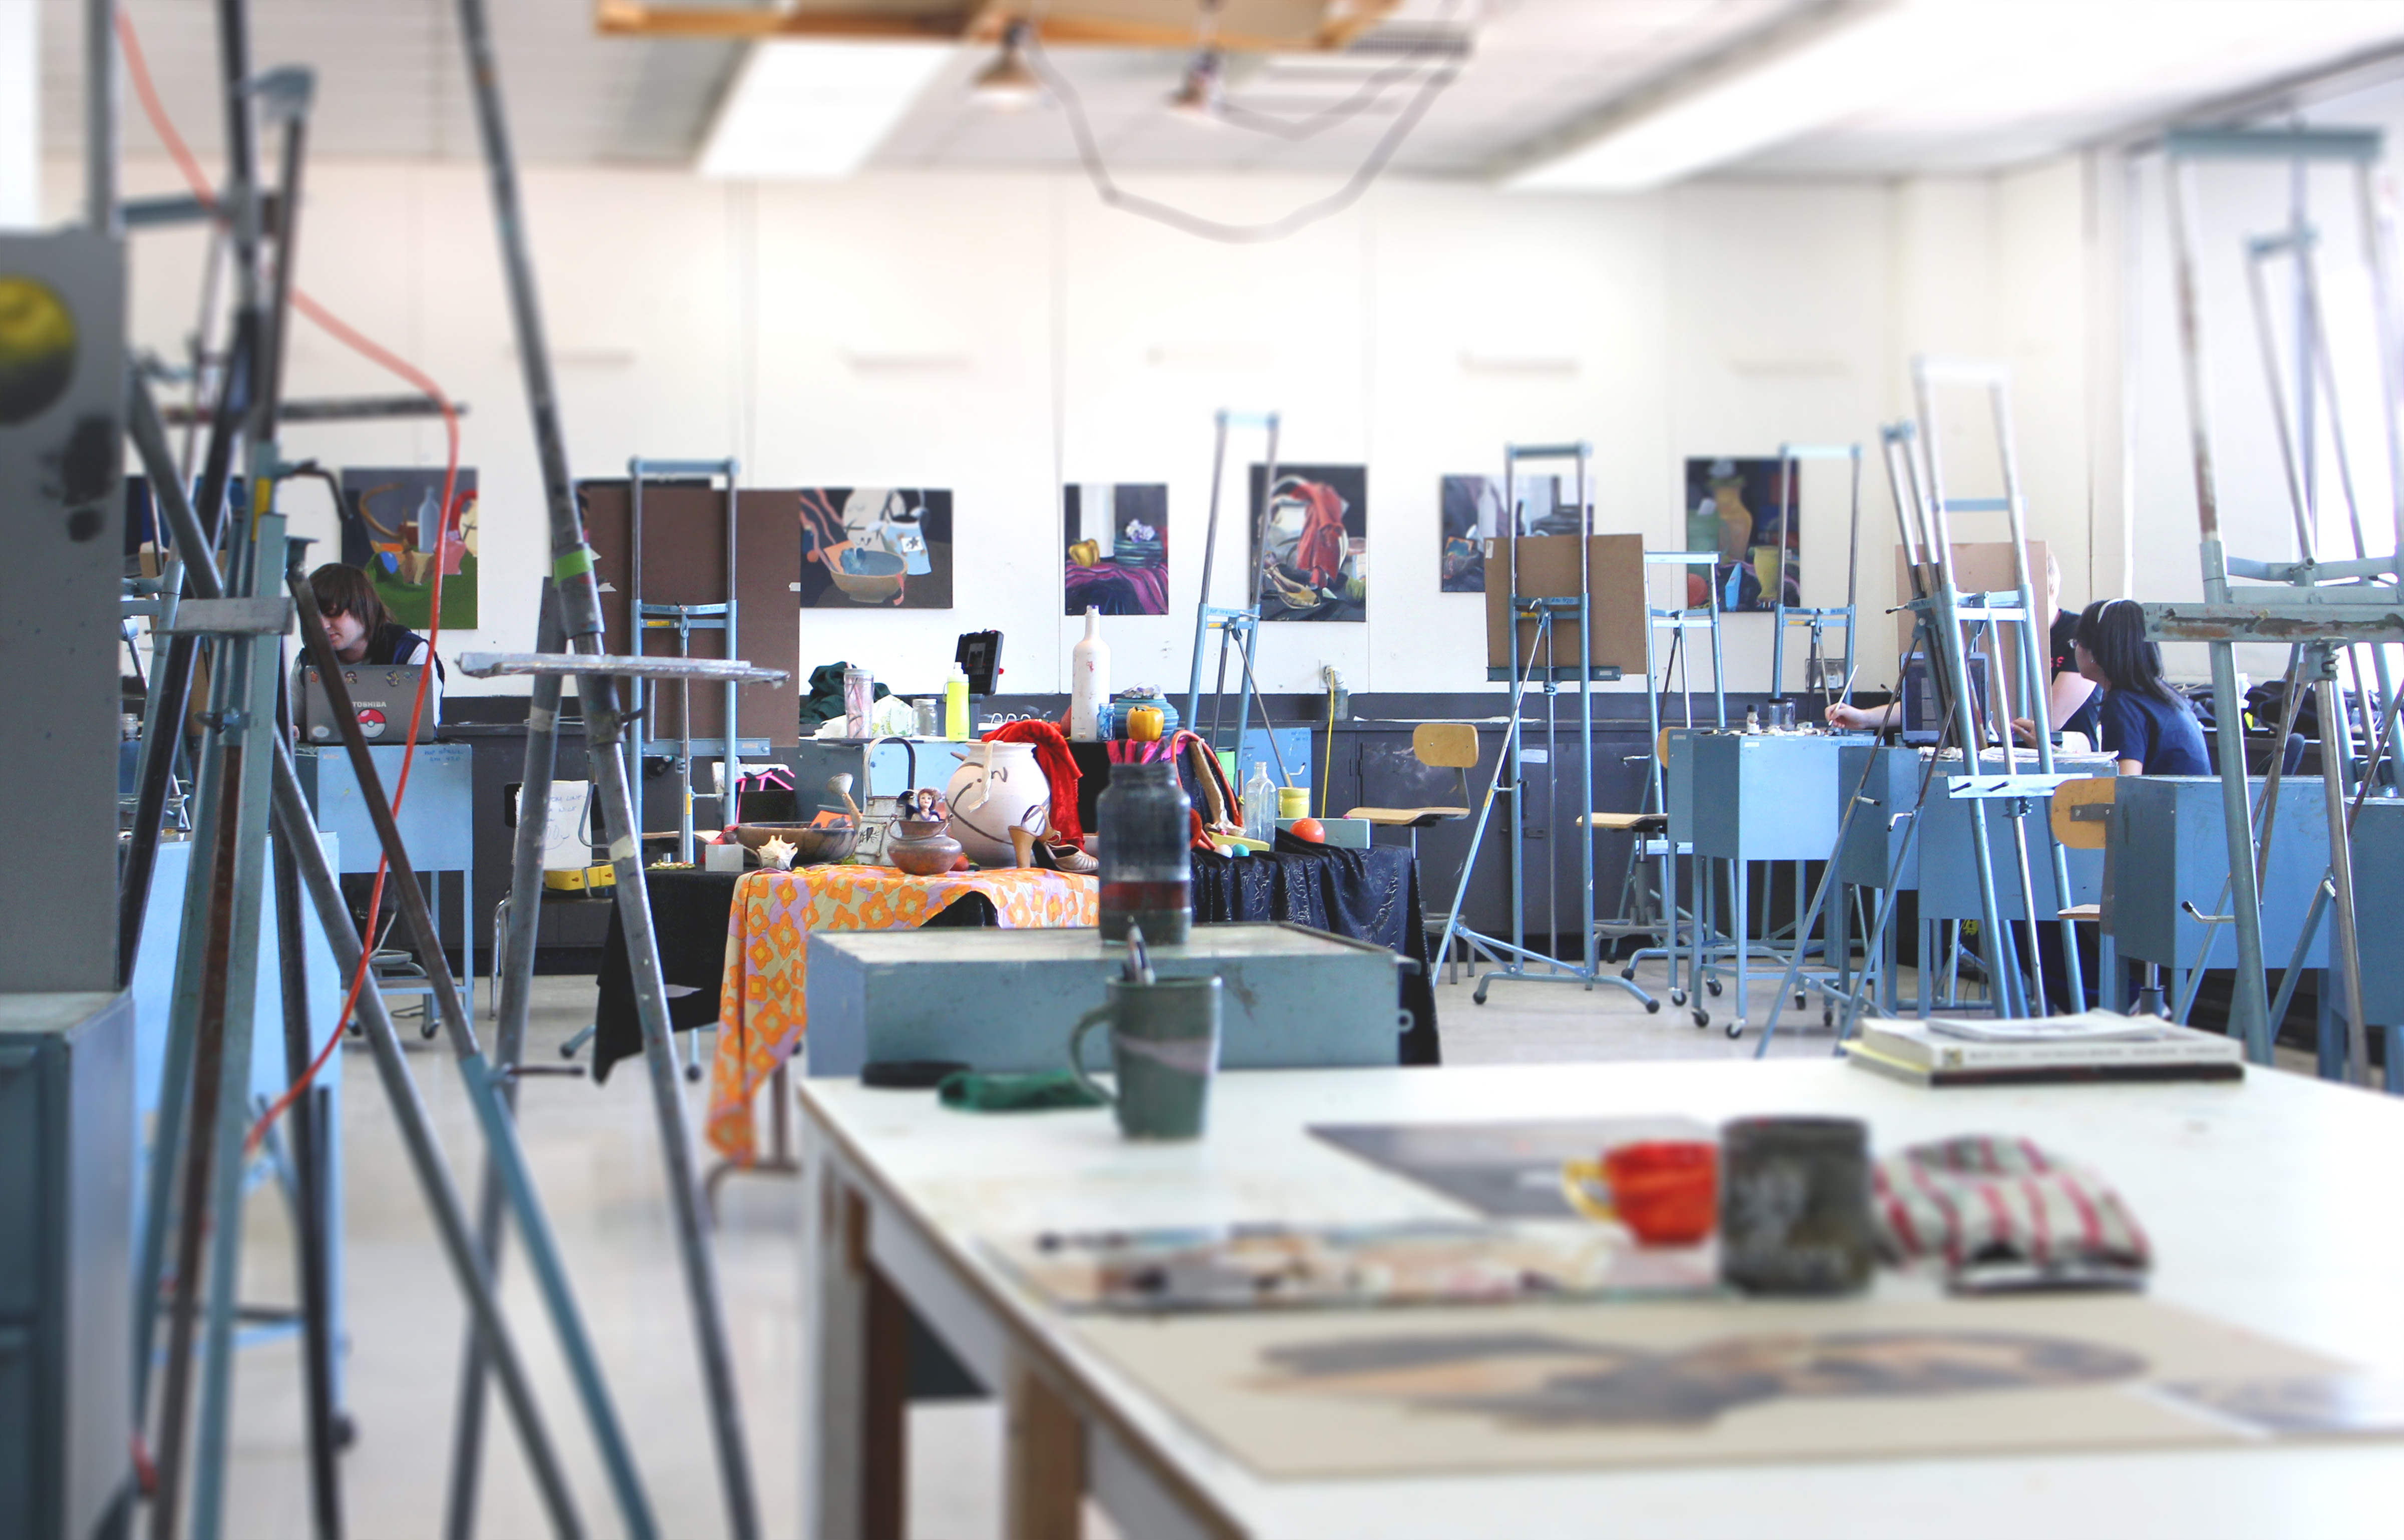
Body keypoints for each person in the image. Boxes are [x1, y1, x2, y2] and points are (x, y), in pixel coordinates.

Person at [1825, 550, 2097, 742]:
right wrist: (1866, 718)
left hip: (2062, 764)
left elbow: (2050, 721)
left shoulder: (2079, 634)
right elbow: (1945, 700)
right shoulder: (1994, 632)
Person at [2072, 597, 2210, 776]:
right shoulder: (2164, 695)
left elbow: (2125, 787)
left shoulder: (2123, 704)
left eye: (2077, 643)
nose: (2075, 650)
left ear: (2096, 651)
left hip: (2164, 804)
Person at [305, 562, 444, 726]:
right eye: (314, 616)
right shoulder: (308, 659)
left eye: (333, 614)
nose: (322, 625)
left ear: (363, 607)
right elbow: (291, 723)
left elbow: (427, 726)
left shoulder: (412, 651)